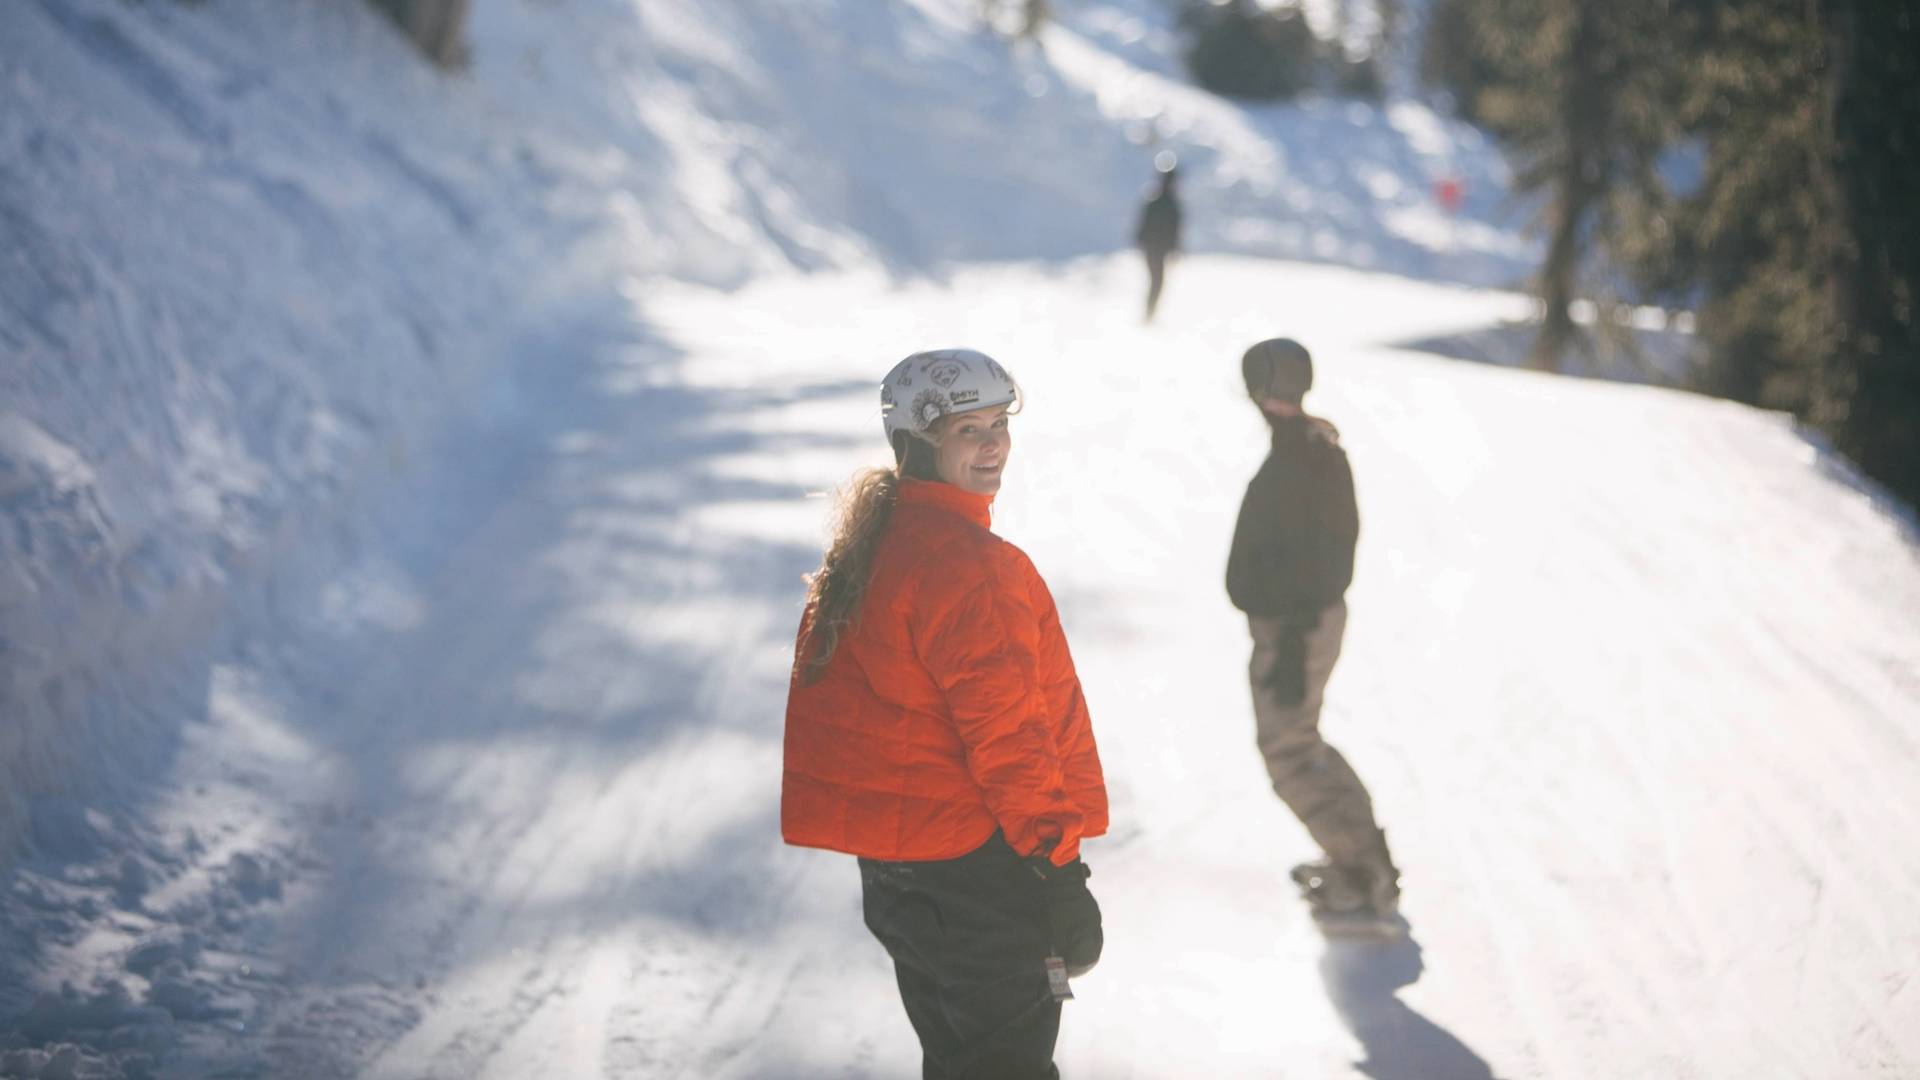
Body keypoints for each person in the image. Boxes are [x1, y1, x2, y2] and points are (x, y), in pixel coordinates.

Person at [783, 348, 1109, 1079]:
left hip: (902, 876)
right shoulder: (967, 565)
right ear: (920, 442)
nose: (994, 445)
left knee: (961, 1062)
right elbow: (1010, 740)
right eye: (969, 430)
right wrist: (1060, 874)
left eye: (999, 424)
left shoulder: (872, 547)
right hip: (977, 875)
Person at [1225, 338, 1401, 933]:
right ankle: (1361, 857)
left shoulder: (1302, 458)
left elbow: (1326, 558)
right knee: (1301, 741)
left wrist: (1295, 636)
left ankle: (1363, 874)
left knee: (1290, 750)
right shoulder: (1311, 447)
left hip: (1296, 631)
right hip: (1299, 625)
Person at [1133, 154, 1182, 322]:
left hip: (1155, 249)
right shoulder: (1167, 203)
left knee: (1156, 281)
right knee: (1157, 281)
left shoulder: (1160, 201)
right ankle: (1149, 313)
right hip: (1156, 249)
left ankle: (1150, 313)